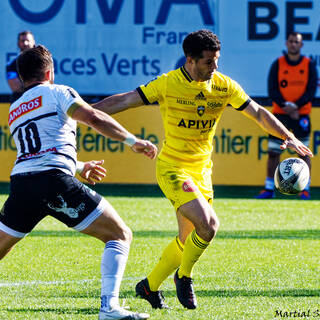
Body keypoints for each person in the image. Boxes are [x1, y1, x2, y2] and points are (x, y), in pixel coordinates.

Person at [92, 29, 313, 310]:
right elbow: (124, 100)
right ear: (190, 60)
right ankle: (184, 277)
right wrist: (85, 113)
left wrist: (288, 137)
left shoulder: (223, 86)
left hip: (202, 171)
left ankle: (148, 287)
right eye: (209, 62)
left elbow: (257, 112)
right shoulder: (168, 84)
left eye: (217, 60)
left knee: (187, 240)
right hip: (172, 168)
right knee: (209, 226)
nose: (215, 67)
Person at [0, 45, 158, 320]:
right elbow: (93, 117)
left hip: (22, 183)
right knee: (120, 235)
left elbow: (39, 153)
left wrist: (80, 166)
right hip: (54, 181)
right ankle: (109, 308)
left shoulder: (15, 109)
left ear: (23, 79)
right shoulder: (59, 91)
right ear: (49, 71)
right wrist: (133, 141)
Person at [256, 31, 318, 200]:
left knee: (304, 153)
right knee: (273, 152)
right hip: (280, 116)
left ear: (301, 45)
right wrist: (286, 106)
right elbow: (272, 89)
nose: (293, 44)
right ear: (286, 43)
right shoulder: (278, 64)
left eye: (296, 42)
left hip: (301, 114)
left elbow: (312, 89)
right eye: (291, 41)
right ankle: (269, 188)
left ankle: (305, 188)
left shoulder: (308, 64)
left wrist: (296, 106)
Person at [6, 30, 36, 103]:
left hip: (39, 101)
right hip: (19, 102)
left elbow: (48, 82)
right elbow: (16, 87)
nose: (25, 43)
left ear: (33, 42)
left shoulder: (42, 61)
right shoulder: (12, 64)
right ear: (18, 43)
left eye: (28, 40)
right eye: (22, 41)